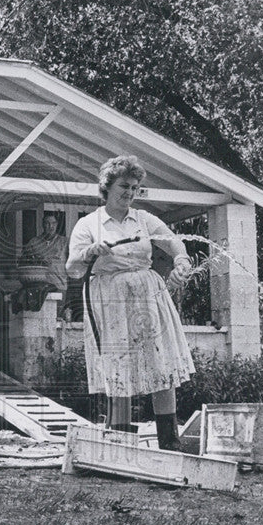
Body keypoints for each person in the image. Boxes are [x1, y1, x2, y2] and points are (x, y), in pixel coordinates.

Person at [65, 155, 197, 451]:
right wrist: (90, 252)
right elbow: (72, 268)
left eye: (135, 187)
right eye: (124, 185)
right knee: (118, 365)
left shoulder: (144, 219)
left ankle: (169, 440)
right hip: (110, 302)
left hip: (149, 297)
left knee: (160, 363)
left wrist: (181, 260)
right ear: (107, 187)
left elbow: (174, 241)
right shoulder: (89, 224)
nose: (130, 192)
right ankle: (121, 441)